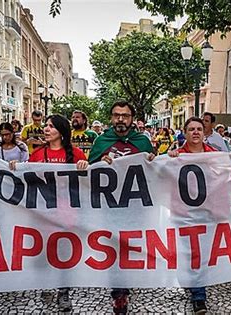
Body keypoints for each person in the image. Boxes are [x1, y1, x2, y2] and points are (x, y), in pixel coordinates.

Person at [10, 114, 88, 312]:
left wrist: (84, 168)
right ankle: (46, 282)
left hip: (67, 212)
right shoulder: (36, 154)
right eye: (46, 125)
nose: (46, 129)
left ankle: (64, 292)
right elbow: (27, 178)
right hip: (42, 212)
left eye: (51, 126)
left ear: (61, 132)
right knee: (45, 250)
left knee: (64, 252)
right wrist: (14, 168)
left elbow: (88, 183)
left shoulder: (77, 154)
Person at [168, 117, 231, 314]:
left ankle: (197, 289)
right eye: (191, 129)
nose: (195, 132)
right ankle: (197, 292)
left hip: (208, 213)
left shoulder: (216, 155)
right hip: (183, 214)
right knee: (191, 253)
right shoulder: (175, 156)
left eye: (199, 129)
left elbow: (227, 174)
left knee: (202, 253)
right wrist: (166, 158)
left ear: (204, 132)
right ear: (184, 133)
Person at [88, 100, 153, 314]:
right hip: (110, 207)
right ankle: (118, 292)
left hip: (136, 207)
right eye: (116, 115)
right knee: (114, 248)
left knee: (129, 247)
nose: (121, 119)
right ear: (111, 118)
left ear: (132, 119)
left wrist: (154, 161)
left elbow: (154, 173)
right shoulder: (101, 142)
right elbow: (88, 173)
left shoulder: (142, 142)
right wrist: (99, 163)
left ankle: (125, 283)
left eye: (125, 115)